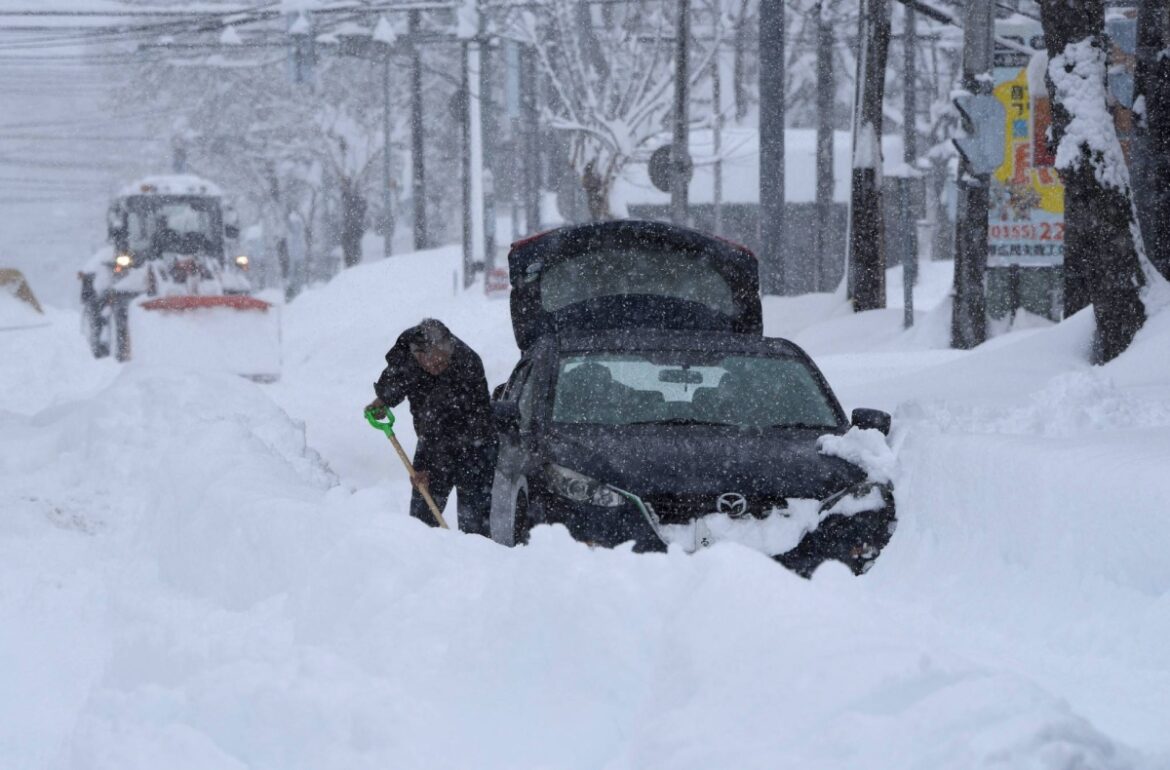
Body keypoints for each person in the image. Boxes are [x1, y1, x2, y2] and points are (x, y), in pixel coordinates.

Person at [366, 319, 497, 535]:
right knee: (421, 521)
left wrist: (426, 465)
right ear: (419, 356)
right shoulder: (407, 351)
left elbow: (445, 421)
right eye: (434, 364)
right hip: (433, 439)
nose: (439, 367)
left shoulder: (467, 364)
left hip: (476, 444)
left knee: (475, 523)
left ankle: (474, 561)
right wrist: (383, 399)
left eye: (444, 362)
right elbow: (397, 376)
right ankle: (420, 558)